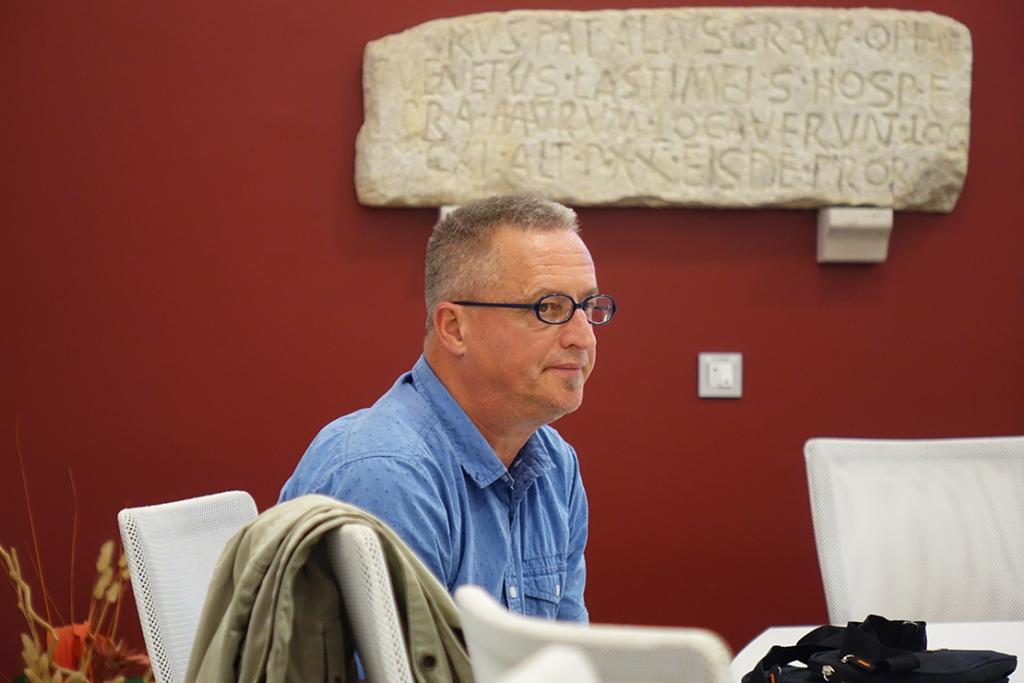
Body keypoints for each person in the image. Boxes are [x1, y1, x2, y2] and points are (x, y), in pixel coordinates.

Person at [279, 195, 616, 622]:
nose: (584, 338)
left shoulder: (555, 464)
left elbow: (564, 652)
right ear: (454, 328)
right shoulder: (388, 473)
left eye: (588, 307)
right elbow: (392, 661)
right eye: (548, 308)